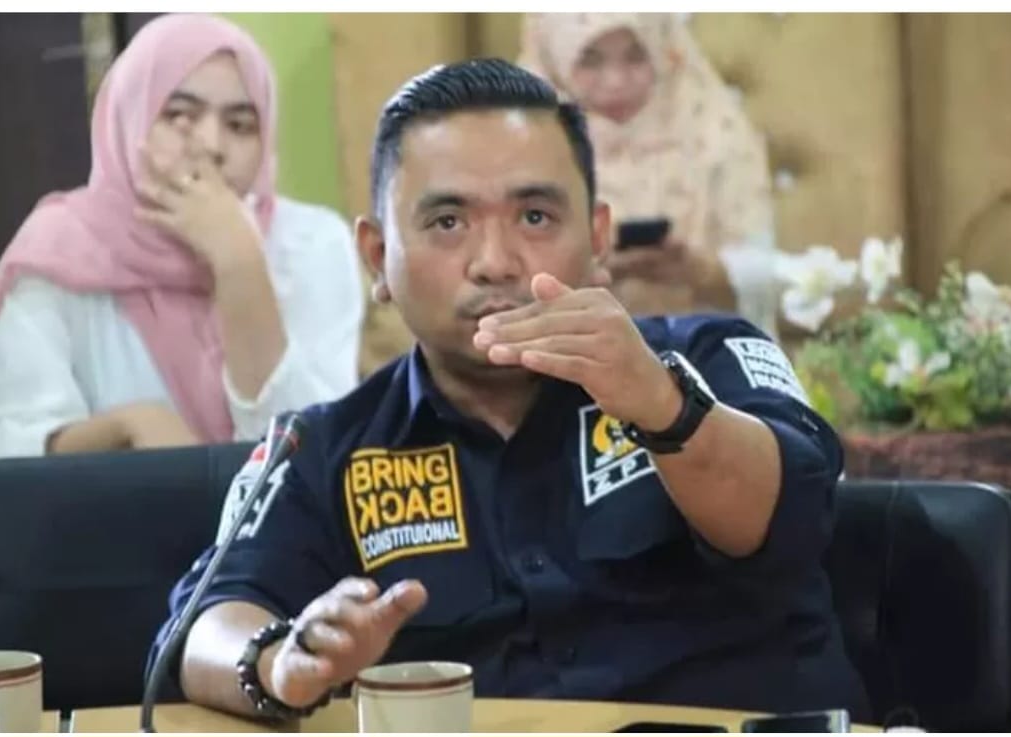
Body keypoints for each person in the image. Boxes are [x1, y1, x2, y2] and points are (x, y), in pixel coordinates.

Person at [156, 59, 869, 722]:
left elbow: (795, 517)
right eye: (447, 222)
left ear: (598, 238)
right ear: (377, 257)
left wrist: (664, 407)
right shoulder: (322, 448)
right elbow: (204, 626)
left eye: (534, 217)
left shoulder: (709, 357)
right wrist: (281, 663)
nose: (495, 263)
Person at [0, 14, 364, 459]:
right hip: (111, 507)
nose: (211, 145)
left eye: (239, 125)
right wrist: (125, 427)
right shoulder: (61, 249)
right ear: (128, 120)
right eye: (179, 116)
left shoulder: (308, 244)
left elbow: (319, 455)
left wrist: (240, 265)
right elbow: (2, 443)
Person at [518, 13, 780, 335]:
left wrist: (702, 272)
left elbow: (766, 276)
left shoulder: (716, 131)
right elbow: (499, 284)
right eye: (590, 60)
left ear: (662, 50)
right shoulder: (522, 144)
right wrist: (584, 270)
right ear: (554, 58)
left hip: (702, 343)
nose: (616, 81)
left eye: (636, 56)